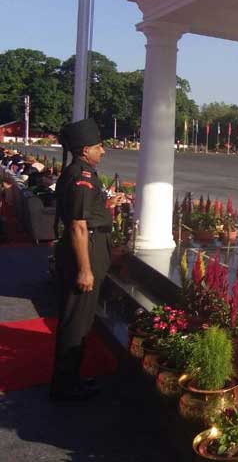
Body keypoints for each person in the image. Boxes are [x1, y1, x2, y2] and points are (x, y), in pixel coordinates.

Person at [51, 118, 124, 400]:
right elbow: (78, 225)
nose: (102, 151)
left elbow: (86, 215)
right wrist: (85, 270)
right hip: (85, 251)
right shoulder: (81, 176)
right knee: (76, 322)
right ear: (84, 150)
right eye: (98, 146)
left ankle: (72, 380)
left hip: (91, 245)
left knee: (81, 319)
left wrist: (107, 205)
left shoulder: (82, 173)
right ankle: (65, 389)